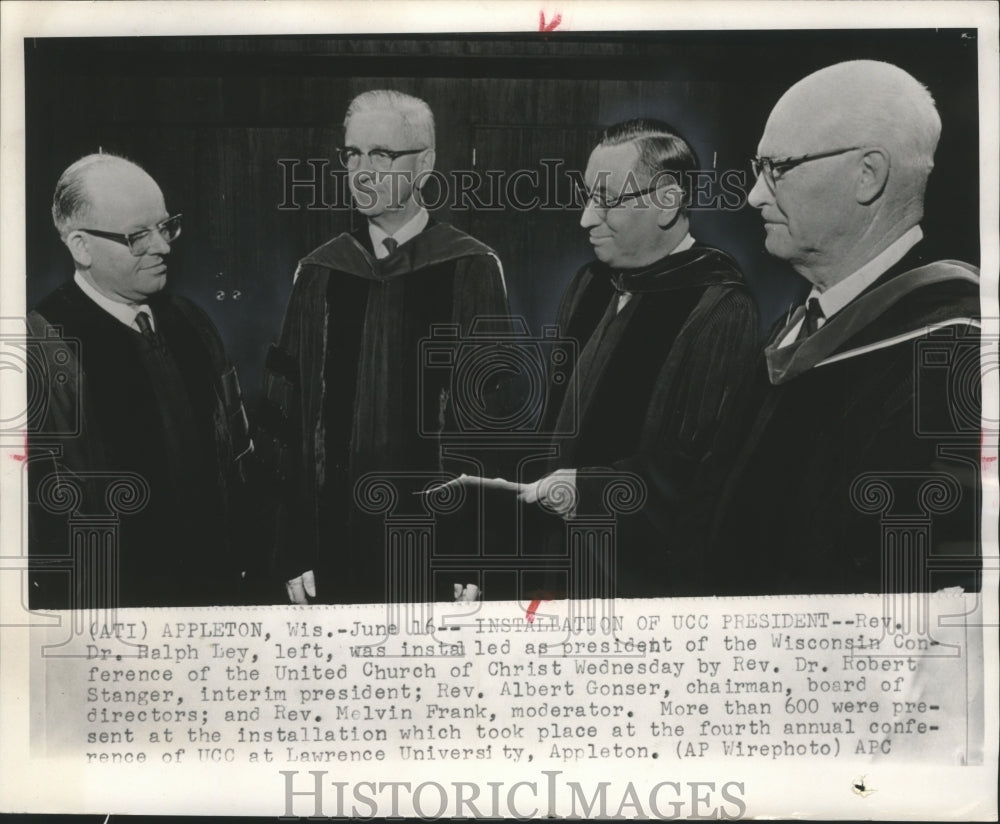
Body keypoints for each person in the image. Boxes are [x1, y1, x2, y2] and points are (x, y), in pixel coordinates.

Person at [711, 60, 981, 595]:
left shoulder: (954, 359)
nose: (754, 196)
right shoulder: (793, 329)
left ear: (868, 175)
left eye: (778, 168)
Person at [259, 89, 509, 604]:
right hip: (332, 543)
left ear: (425, 164)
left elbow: (491, 420)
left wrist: (474, 551)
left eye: (381, 154)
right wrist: (293, 546)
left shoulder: (471, 268)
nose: (362, 171)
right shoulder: (320, 272)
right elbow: (289, 421)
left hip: (434, 547)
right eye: (352, 154)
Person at [518, 119, 759, 598]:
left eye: (606, 200)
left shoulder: (719, 307)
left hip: (634, 581)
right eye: (587, 198)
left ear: (667, 200)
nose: (586, 218)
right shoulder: (590, 285)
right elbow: (555, 423)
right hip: (554, 560)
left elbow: (700, 475)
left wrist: (588, 490)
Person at [28, 153, 252, 608]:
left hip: (219, 592)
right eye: (137, 236)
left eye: (165, 226)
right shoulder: (42, 348)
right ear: (80, 246)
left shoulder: (192, 323)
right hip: (112, 607)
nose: (163, 246)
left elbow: (239, 459)